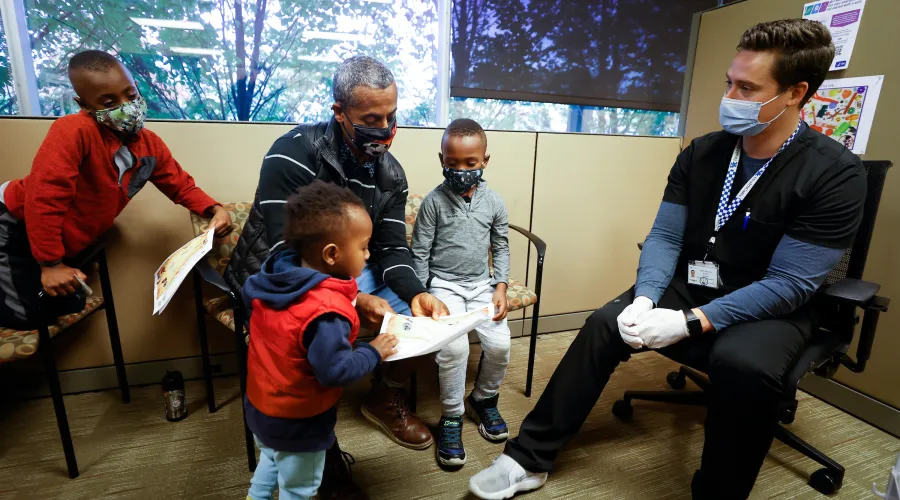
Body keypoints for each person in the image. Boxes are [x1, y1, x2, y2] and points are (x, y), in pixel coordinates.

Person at [469, 19, 866, 500]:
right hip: (698, 282)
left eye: (747, 87)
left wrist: (691, 322)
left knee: (741, 363)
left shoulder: (834, 173)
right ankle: (529, 457)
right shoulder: (702, 153)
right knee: (605, 322)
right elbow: (664, 236)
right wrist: (647, 297)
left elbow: (790, 284)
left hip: (772, 303)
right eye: (729, 82)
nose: (731, 96)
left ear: (795, 93)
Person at [226, 55, 449, 497]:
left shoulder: (389, 173)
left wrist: (416, 292)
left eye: (391, 116)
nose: (385, 130)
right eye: (371, 119)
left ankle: (384, 395)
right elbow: (283, 253)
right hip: (281, 274)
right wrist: (349, 300)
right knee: (318, 328)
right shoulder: (291, 154)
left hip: (345, 268)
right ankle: (318, 450)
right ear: (340, 113)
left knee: (415, 317)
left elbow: (387, 248)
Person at [0, 50, 231, 330]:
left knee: (64, 306)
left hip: (62, 238)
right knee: (27, 317)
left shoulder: (149, 144)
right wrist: (50, 264)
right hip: (16, 223)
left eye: (131, 96)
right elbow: (44, 198)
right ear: (84, 105)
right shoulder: (73, 131)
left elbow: (179, 184)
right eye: (109, 102)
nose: (127, 106)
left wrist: (214, 209)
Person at [243, 181, 399, 500]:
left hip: (262, 408)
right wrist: (373, 351)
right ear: (331, 254)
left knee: (270, 463)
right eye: (364, 247)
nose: (368, 255)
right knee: (298, 489)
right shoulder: (326, 314)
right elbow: (335, 372)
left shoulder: (276, 278)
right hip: (299, 422)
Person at [410, 118, 511, 468]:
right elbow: (420, 252)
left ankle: (482, 400)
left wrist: (501, 286)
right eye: (453, 163)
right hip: (444, 287)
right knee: (453, 347)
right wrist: (421, 295)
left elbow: (501, 247)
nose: (462, 170)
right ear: (442, 160)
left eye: (471, 163)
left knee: (500, 345)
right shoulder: (433, 203)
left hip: (482, 286)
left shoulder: (495, 202)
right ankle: (451, 416)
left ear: (485, 160)